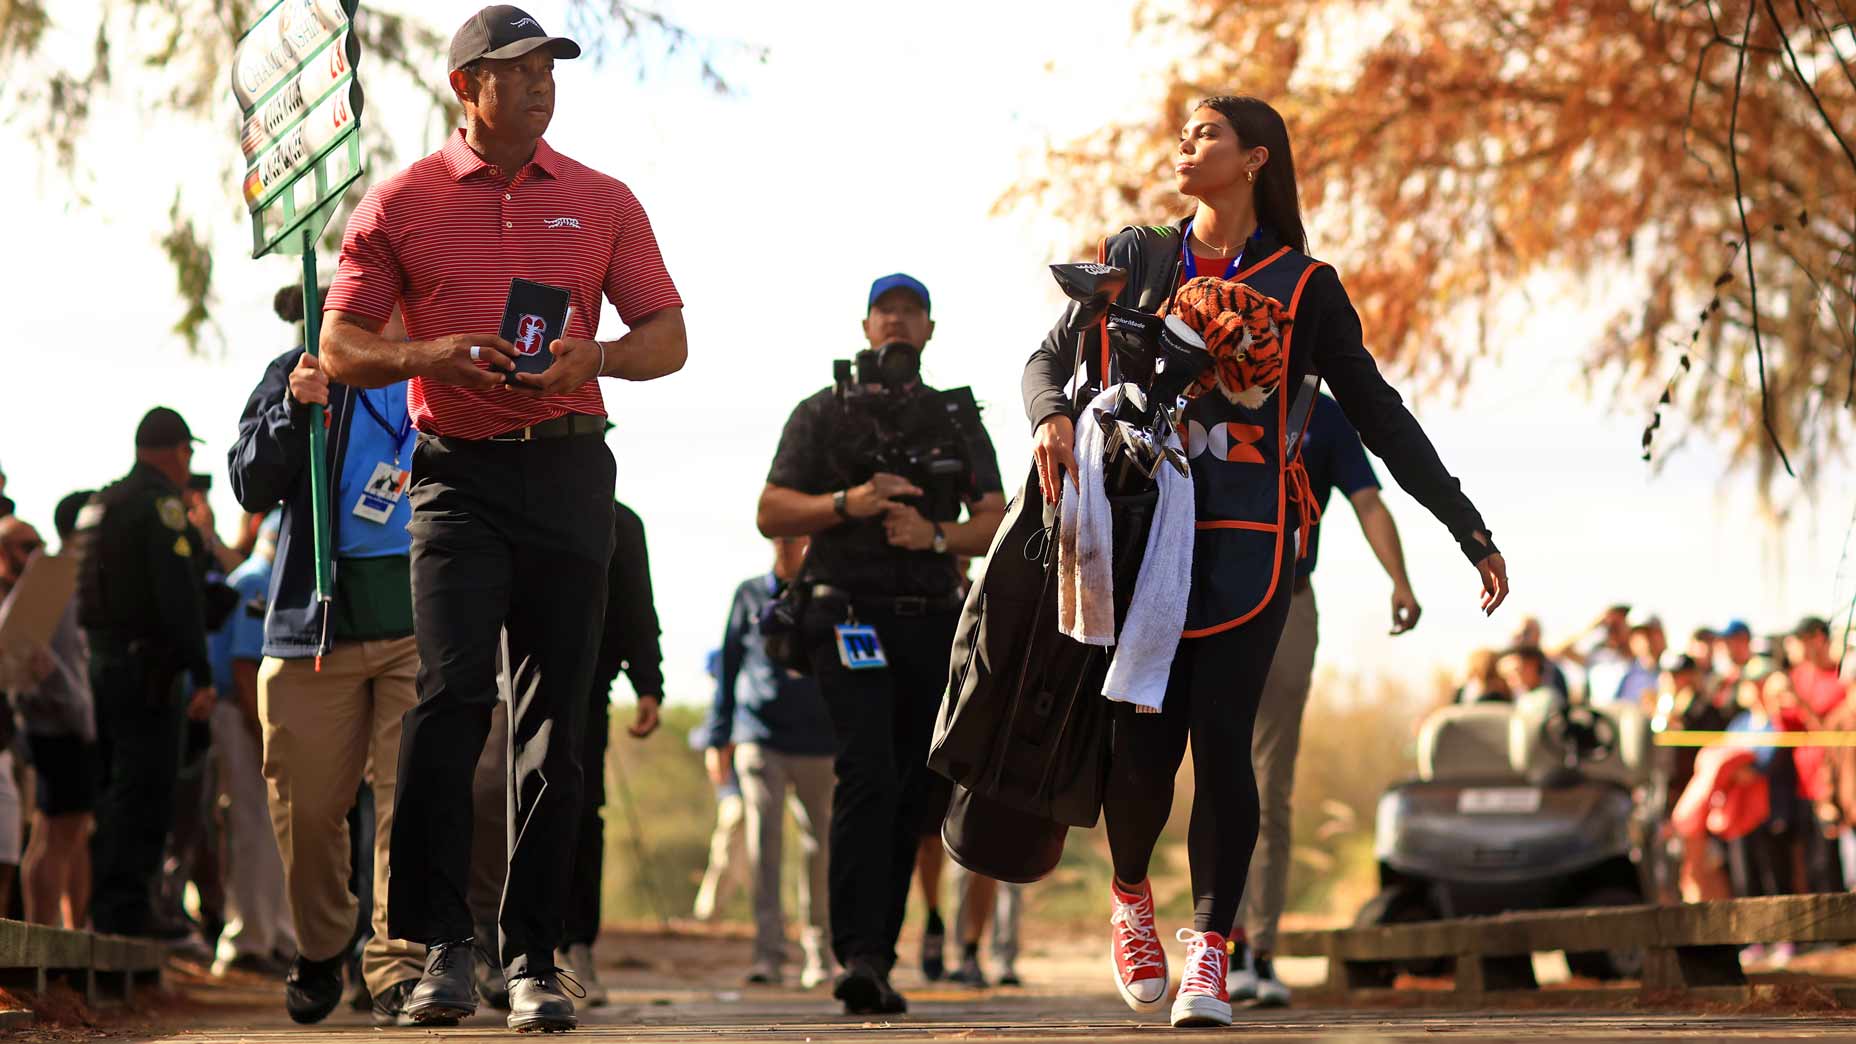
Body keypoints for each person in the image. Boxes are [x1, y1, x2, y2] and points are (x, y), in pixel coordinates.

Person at [1022, 95, 1507, 1027]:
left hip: (1250, 545)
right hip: (1134, 537)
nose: (1183, 145)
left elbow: (1381, 416)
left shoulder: (1307, 286)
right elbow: (1045, 360)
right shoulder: (1139, 257)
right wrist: (1048, 416)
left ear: (1255, 160)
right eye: (1184, 132)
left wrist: (1466, 527)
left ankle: (1211, 952)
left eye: (1204, 134)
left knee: (1226, 747)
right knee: (1140, 754)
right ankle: (1131, 896)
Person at [319, 6, 685, 1030]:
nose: (539, 84)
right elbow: (343, 346)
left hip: (571, 475)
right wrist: (433, 354)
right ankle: (439, 948)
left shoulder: (603, 200)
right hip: (456, 480)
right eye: (516, 70)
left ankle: (534, 959)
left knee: (558, 726)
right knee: (447, 705)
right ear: (465, 87)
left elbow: (666, 336)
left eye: (548, 70)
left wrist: (595, 357)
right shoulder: (400, 203)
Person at [757, 271, 1007, 1014]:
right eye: (886, 311)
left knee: (911, 785)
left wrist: (934, 534)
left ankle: (880, 955)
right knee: (865, 768)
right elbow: (771, 511)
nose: (898, 322)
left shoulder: (956, 418)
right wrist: (849, 503)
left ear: (930, 329)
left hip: (931, 617)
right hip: (845, 615)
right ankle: (857, 953)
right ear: (866, 326)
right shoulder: (823, 412)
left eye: (912, 312)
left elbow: (996, 518)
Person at [230, 305, 439, 1023]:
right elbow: (249, 486)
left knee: (409, 800)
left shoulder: (439, 365)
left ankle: (397, 966)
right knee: (308, 809)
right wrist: (294, 407)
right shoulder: (301, 370)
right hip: (314, 629)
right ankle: (322, 947)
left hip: (423, 623)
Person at [1224, 391, 1420, 1009]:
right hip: (1214, 605)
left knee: (1269, 786)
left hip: (1290, 605)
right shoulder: (1212, 389)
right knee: (1217, 779)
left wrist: (1400, 580)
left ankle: (1260, 950)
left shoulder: (1326, 416)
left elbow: (1369, 501)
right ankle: (1215, 945)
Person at [72, 406, 216, 941]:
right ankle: (129, 909)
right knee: (146, 787)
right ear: (175, 450)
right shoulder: (160, 507)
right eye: (187, 451)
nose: (188, 463)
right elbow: (178, 598)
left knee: (114, 787)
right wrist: (201, 671)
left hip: (103, 664)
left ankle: (111, 906)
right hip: (149, 673)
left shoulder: (103, 502)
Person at [703, 536, 837, 989]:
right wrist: (717, 738)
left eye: (796, 536)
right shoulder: (749, 594)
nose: (788, 544)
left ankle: (819, 951)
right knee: (765, 846)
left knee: (819, 846)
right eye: (780, 536)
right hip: (759, 736)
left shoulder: (831, 592)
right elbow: (728, 668)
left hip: (821, 739)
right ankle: (769, 955)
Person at [207, 513, 297, 977]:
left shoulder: (262, 576)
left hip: (258, 718)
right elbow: (245, 668)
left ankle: (274, 933)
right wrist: (268, 736)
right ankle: (246, 938)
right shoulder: (256, 580)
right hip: (243, 717)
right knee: (250, 829)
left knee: (271, 831)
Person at [13, 496, 98, 929]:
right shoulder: (53, 573)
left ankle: (52, 932)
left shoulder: (66, 574)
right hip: (56, 722)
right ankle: (42, 932)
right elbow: (20, 641)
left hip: (63, 718)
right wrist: (68, 699)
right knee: (55, 835)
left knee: (62, 833)